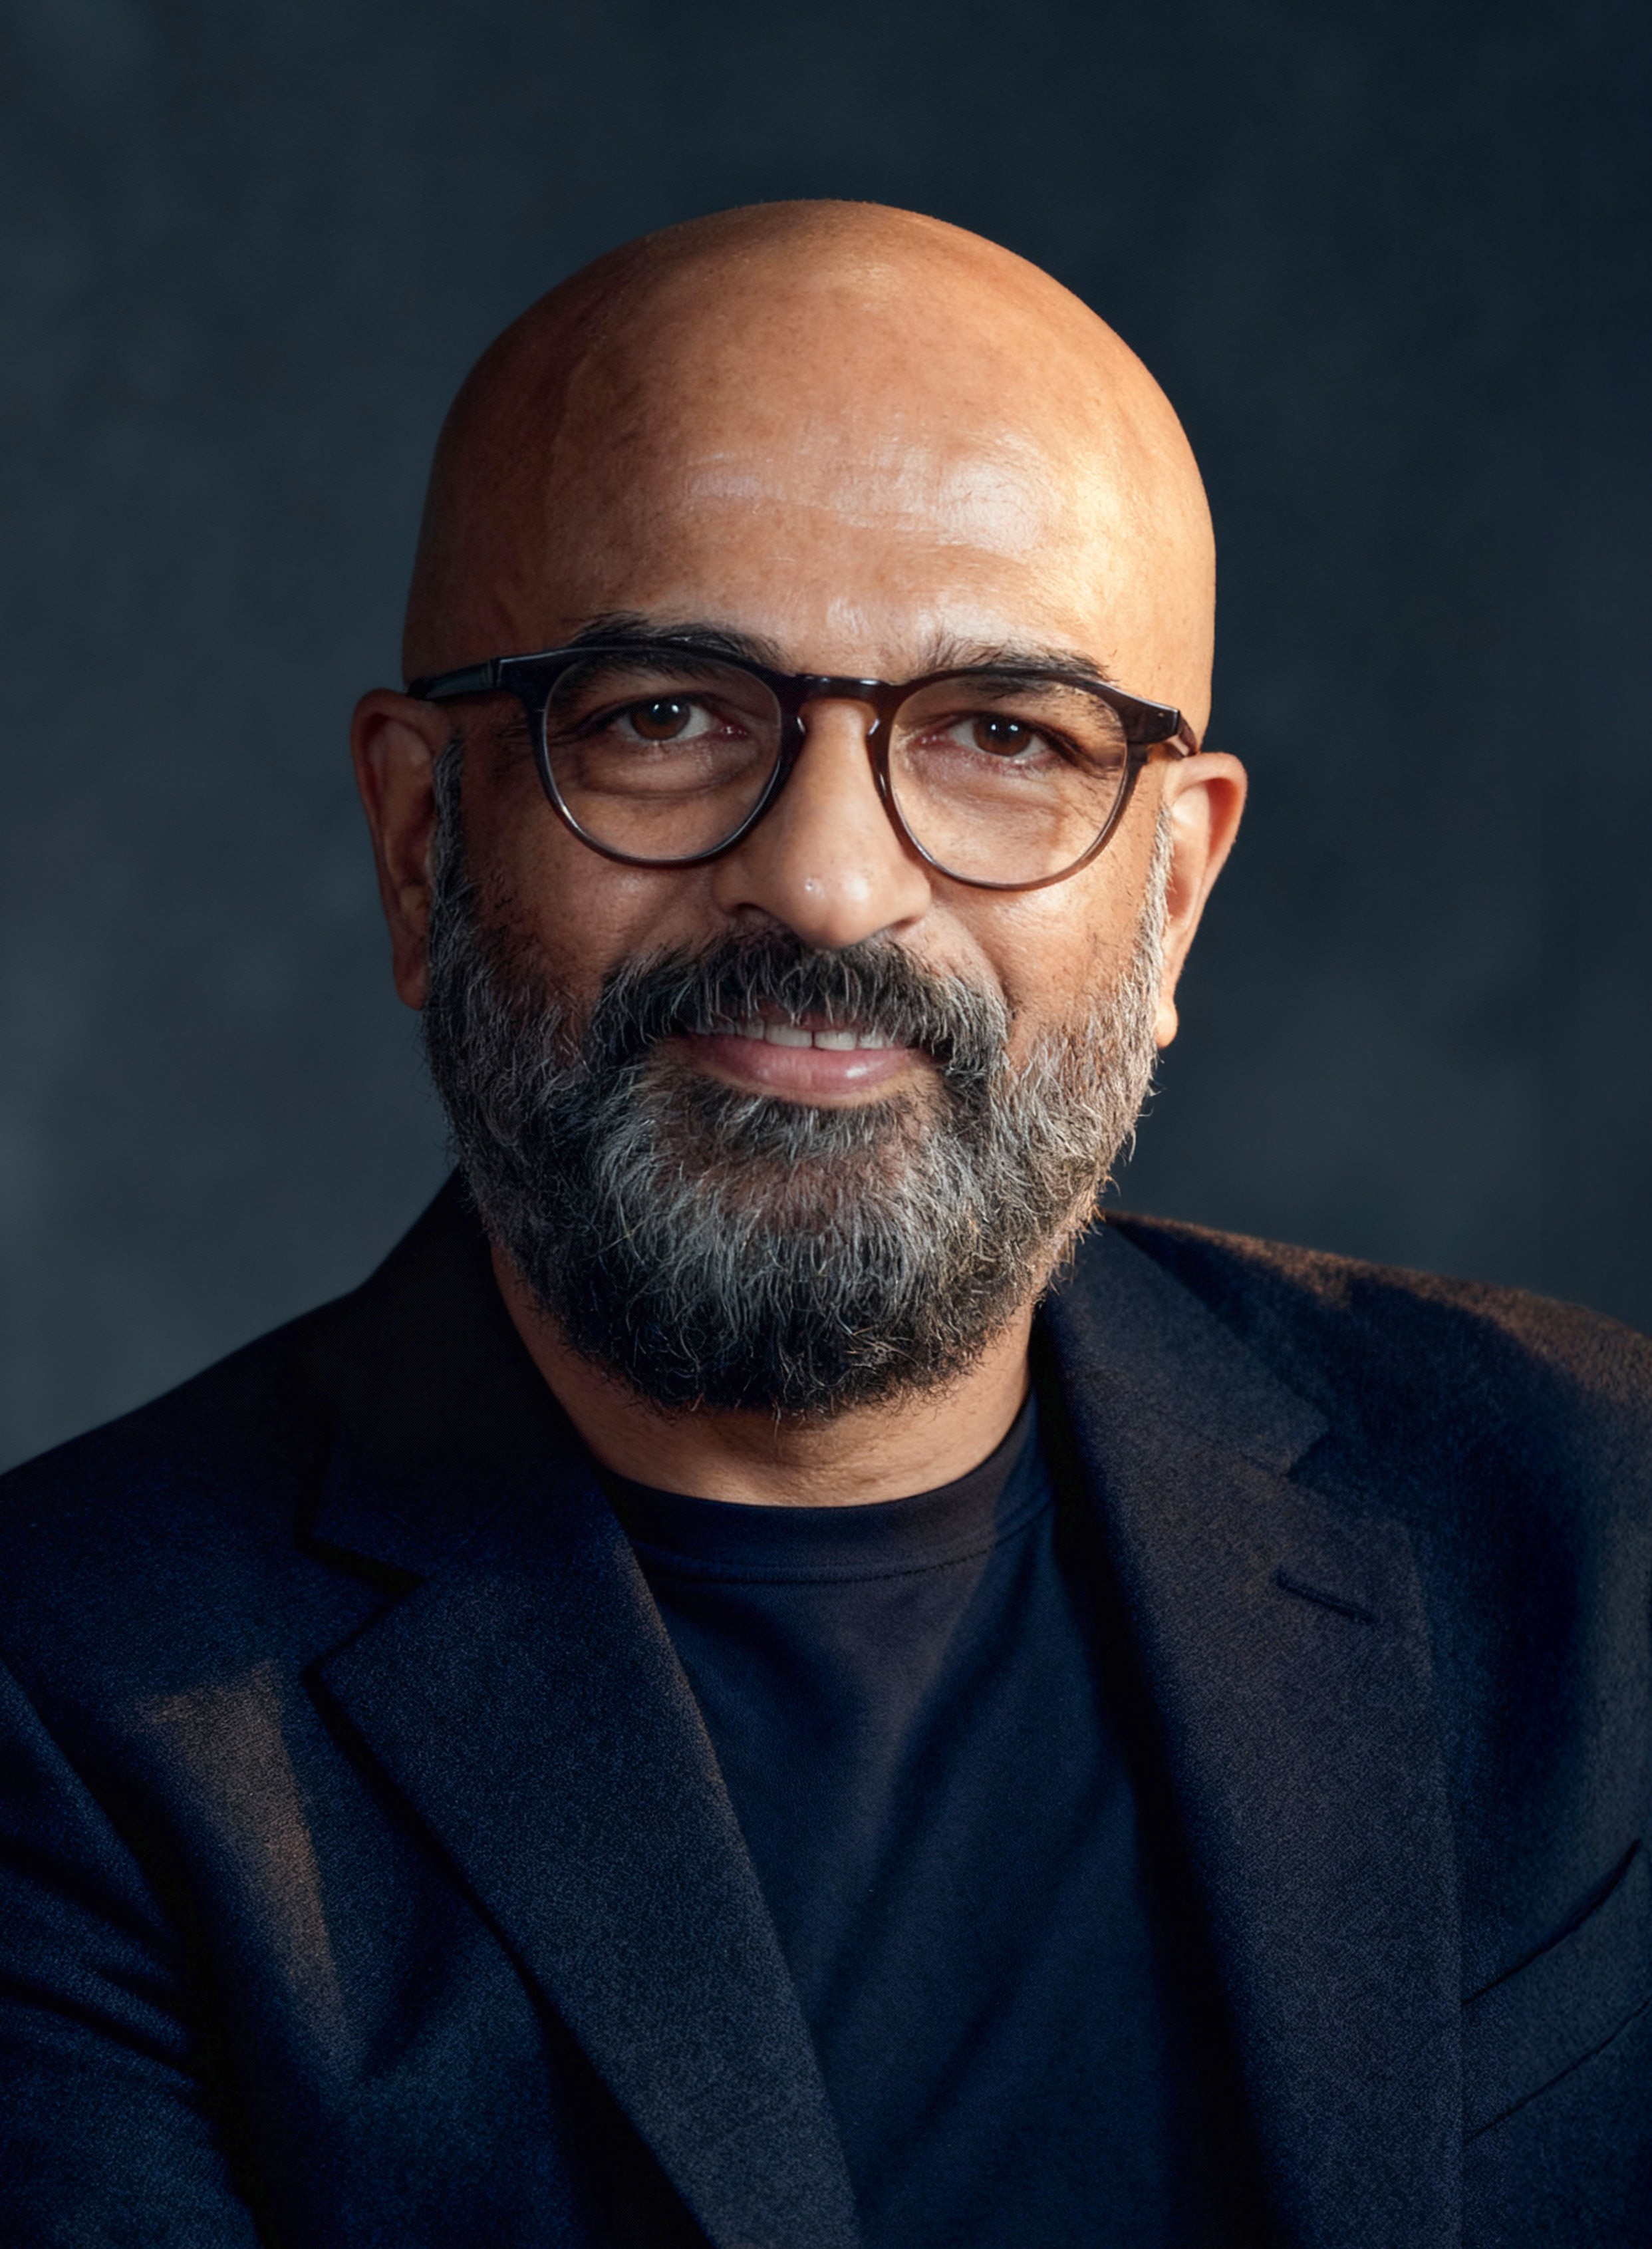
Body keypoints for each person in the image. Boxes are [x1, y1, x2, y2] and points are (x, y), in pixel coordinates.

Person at [1, 201, 1648, 2249]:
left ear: (1170, 902)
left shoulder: (1594, 1531)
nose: (829, 887)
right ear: (426, 844)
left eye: (1002, 738)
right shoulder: (57, 1716)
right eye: (667, 714)